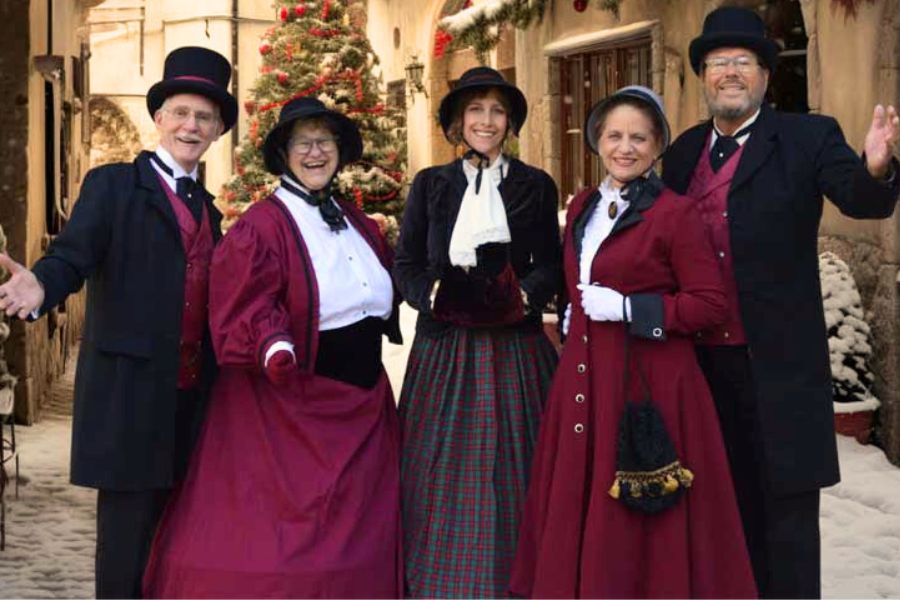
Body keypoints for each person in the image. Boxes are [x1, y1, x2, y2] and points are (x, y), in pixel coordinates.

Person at [661, 6, 900, 598]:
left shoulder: (807, 137)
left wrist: (874, 165)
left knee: (786, 521)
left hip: (778, 370)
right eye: (719, 63)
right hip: (700, 367)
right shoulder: (684, 151)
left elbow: (861, 198)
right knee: (715, 509)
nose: (731, 73)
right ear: (704, 76)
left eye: (745, 61)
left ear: (766, 74)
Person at [142, 96, 403, 598]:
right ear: (283, 153)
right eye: (302, 143)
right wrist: (272, 343)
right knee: (279, 547)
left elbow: (381, 286)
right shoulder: (261, 226)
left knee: (360, 536)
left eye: (324, 142)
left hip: (363, 409)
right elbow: (243, 302)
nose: (314, 153)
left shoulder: (356, 221)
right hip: (290, 407)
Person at [0, 47, 234, 598]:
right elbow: (72, 256)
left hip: (191, 401)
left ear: (219, 129)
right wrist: (40, 285)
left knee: (175, 543)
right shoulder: (112, 187)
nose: (190, 125)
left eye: (204, 117)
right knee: (125, 555)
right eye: (180, 112)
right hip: (131, 398)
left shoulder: (211, 210)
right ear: (158, 119)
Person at [510, 85, 757, 598]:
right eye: (615, 135)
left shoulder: (676, 213)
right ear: (598, 139)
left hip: (652, 385)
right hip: (584, 379)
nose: (626, 147)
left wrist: (629, 308)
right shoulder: (581, 206)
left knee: (641, 513)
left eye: (640, 138)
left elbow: (709, 305)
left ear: (657, 146)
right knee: (583, 494)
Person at [393, 66, 562, 598]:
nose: (486, 121)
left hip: (515, 347)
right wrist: (438, 297)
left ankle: (522, 579)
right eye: (475, 110)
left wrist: (525, 296)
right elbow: (407, 262)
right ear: (456, 122)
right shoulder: (432, 185)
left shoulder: (534, 184)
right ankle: (442, 583)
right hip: (446, 349)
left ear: (509, 120)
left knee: (519, 465)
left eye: (496, 110)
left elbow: (551, 263)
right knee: (441, 470)